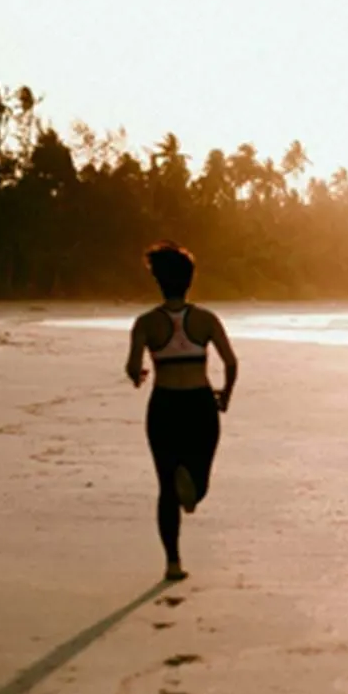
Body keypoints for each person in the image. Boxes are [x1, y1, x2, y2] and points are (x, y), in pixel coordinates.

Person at [125, 241, 237, 582]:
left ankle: (173, 563)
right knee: (199, 473)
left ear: (158, 281)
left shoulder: (146, 324)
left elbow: (132, 368)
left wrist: (139, 375)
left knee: (165, 488)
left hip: (164, 405)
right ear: (190, 280)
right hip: (199, 403)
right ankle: (194, 485)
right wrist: (226, 395)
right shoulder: (205, 320)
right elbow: (231, 362)